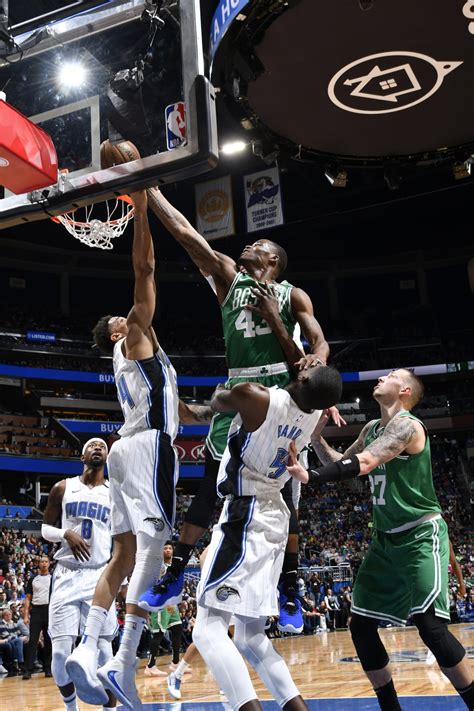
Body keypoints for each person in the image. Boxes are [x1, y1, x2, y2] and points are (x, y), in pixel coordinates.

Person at [141, 185, 343, 628]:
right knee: (206, 491)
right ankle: (175, 577)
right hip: (239, 392)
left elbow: (319, 341)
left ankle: (289, 589)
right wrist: (151, 191)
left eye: (260, 245)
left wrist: (319, 368)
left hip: (282, 396)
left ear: (273, 260)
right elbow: (187, 235)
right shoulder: (229, 278)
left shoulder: (293, 295)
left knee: (287, 499)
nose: (249, 243)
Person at [65, 192, 212, 711]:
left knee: (124, 552)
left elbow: (185, 409)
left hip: (131, 446)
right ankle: (122, 660)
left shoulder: (147, 361)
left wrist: (224, 411)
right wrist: (144, 208)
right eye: (119, 321)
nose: (126, 319)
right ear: (117, 332)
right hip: (150, 445)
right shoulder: (135, 336)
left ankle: (89, 648)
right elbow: (145, 267)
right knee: (154, 548)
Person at [287, 368, 474, 711]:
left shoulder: (408, 425)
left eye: (391, 375)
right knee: (360, 625)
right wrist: (316, 432)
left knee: (431, 627)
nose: (382, 377)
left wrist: (310, 476)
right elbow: (344, 463)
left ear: (404, 390)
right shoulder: (374, 428)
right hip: (384, 540)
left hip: (419, 533)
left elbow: (367, 461)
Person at [192, 364, 343, 711]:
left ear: (304, 378)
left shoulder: (257, 396)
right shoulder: (312, 414)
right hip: (277, 514)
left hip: (246, 513)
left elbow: (218, 399)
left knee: (208, 630)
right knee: (250, 637)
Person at [41, 438, 118, 711]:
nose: (98, 447)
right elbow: (45, 529)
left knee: (104, 652)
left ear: (106, 458)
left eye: (102, 446)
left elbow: (121, 540)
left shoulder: (114, 494)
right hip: (66, 574)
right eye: (92, 445)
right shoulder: (63, 487)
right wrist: (65, 533)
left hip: (100, 575)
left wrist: (123, 577)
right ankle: (71, 708)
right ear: (82, 456)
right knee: (61, 652)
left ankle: (110, 709)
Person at [144, 541, 186, 678]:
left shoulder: (173, 566)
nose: (168, 550)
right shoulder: (158, 566)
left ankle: (175, 662)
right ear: (161, 551)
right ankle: (150, 666)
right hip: (161, 603)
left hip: (172, 604)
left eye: (170, 548)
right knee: (158, 634)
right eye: (165, 548)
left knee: (178, 629)